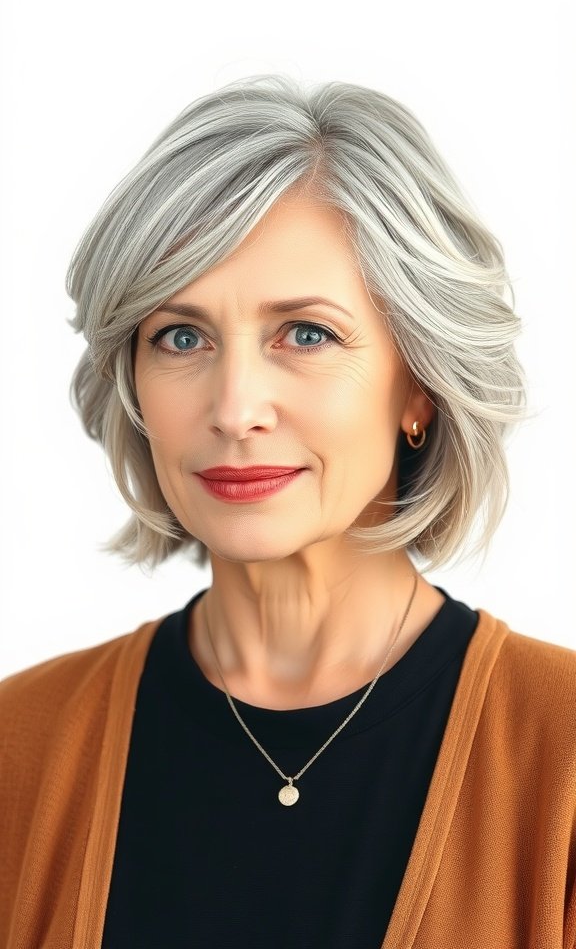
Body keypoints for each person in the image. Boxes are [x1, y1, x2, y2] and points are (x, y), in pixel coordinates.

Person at [1, 74, 575, 949]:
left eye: (305, 333)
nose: (235, 408)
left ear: (420, 382)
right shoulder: (20, 748)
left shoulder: (560, 754)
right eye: (179, 336)